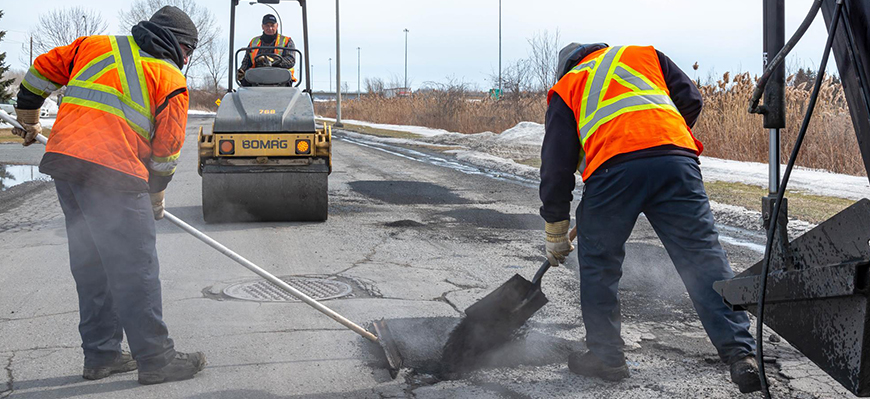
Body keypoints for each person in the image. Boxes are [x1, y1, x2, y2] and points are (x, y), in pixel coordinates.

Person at [539, 43, 761, 394]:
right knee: (702, 256)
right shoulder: (645, 55)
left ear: (567, 66)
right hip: (676, 161)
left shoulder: (568, 85)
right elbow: (691, 99)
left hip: (613, 171)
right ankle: (741, 354)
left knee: (599, 262)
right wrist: (657, 141)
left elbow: (556, 165)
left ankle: (606, 358)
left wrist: (555, 226)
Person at [12, 6, 206, 385]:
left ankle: (101, 357)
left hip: (67, 167)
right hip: (114, 175)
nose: (186, 58)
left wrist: (29, 116)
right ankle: (156, 360)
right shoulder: (170, 79)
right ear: (180, 46)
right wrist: (155, 196)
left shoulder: (94, 45)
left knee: (93, 262)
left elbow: (38, 72)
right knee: (135, 269)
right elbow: (166, 155)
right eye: (188, 51)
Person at [237, 14, 297, 85]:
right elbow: (247, 61)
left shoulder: (287, 41)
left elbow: (290, 60)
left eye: (272, 25)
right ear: (262, 27)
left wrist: (273, 61)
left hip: (280, 78)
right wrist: (242, 70)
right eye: (267, 26)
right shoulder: (254, 42)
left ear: (277, 26)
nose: (270, 28)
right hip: (257, 78)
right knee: (244, 80)